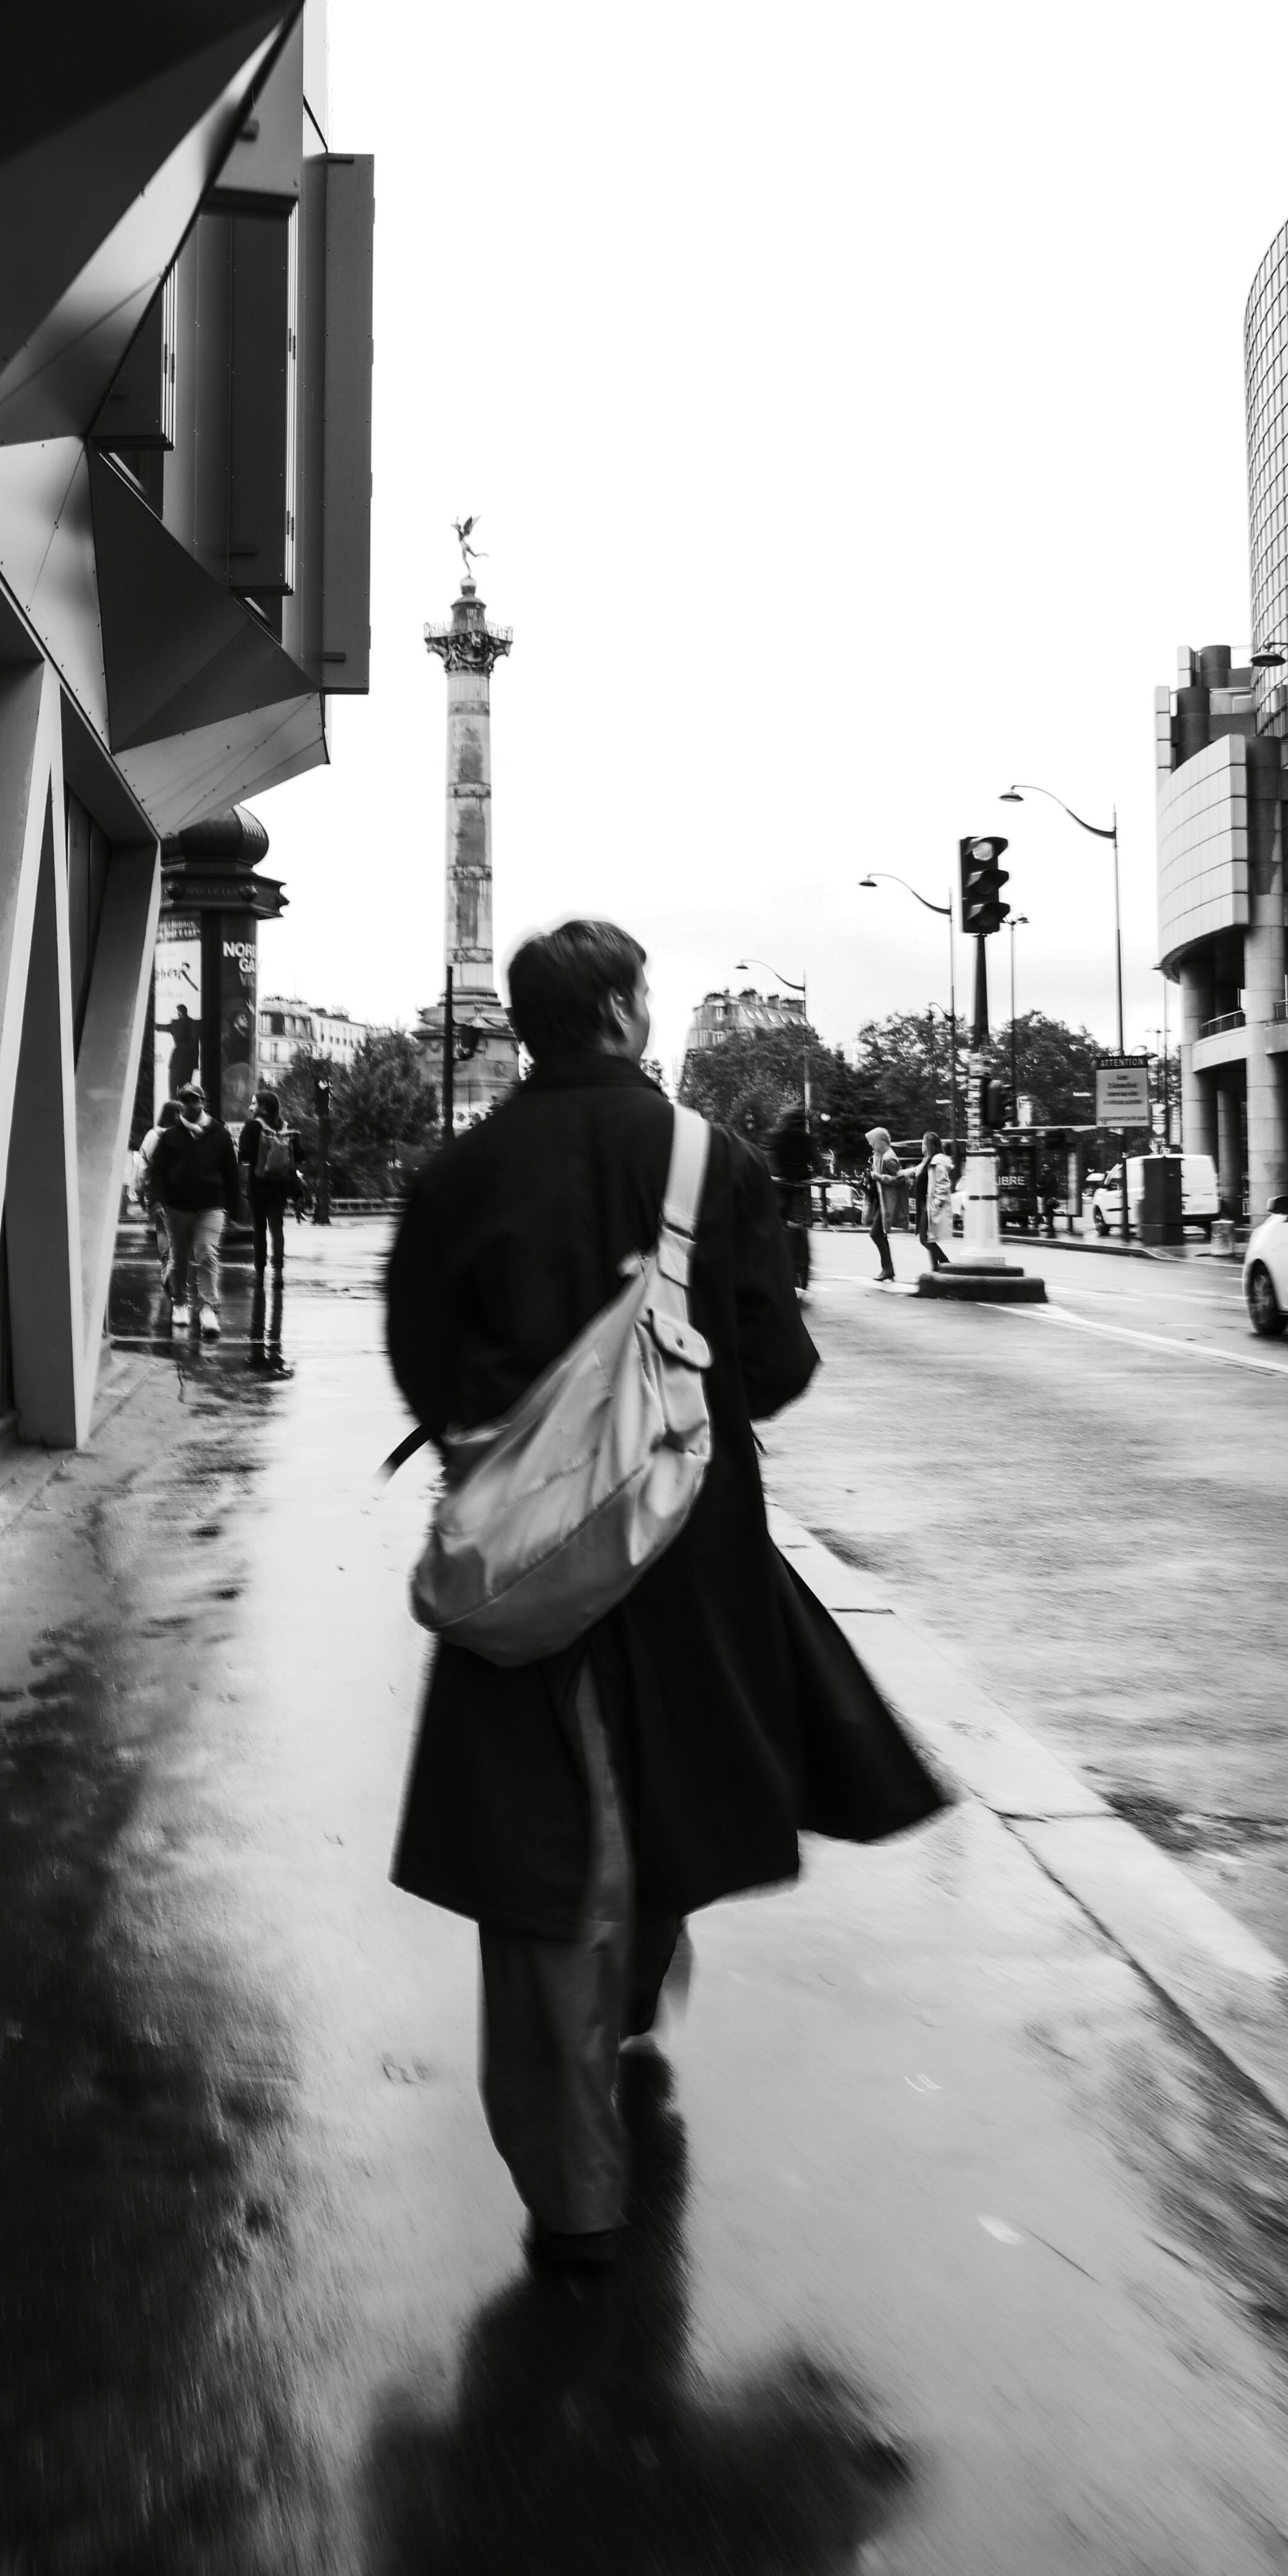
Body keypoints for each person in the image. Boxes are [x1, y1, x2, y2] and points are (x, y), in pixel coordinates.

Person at [385, 917, 943, 2270]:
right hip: (687, 1553)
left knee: (543, 1841)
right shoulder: (712, 1162)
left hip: (524, 1562)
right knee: (669, 1783)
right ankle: (630, 2006)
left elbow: (420, 1356)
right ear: (629, 1013)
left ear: (526, 1026)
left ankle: (570, 2182)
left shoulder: (457, 1172)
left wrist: (528, 1444)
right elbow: (779, 1364)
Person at [146, 1083, 241, 1337]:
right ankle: (180, 1303)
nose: (191, 1105)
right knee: (178, 1258)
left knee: (206, 1253)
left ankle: (208, 1307)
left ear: (203, 1102)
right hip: (177, 1207)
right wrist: (155, 1200)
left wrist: (234, 1209)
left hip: (211, 1205)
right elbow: (157, 1172)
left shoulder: (219, 1134)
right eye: (186, 1101)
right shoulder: (170, 1137)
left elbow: (231, 1173)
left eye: (195, 1100)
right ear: (180, 1105)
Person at [237, 1086, 299, 1292]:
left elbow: (243, 1156)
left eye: (254, 1103)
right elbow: (300, 1155)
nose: (250, 1107)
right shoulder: (286, 1127)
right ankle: (279, 1273)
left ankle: (259, 1273)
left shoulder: (252, 1127)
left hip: (258, 1186)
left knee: (259, 1229)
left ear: (263, 1107)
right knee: (277, 1228)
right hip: (279, 1187)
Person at [767, 1103, 816, 1297]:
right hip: (797, 1188)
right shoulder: (806, 1139)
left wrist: (776, 1175)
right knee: (798, 1228)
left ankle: (785, 1270)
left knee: (781, 1227)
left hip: (782, 1187)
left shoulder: (777, 1136)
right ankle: (802, 1272)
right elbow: (815, 1161)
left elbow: (772, 1161)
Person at [862, 1127, 899, 1283]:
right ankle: (887, 1269)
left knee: (876, 1233)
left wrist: (879, 1177)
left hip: (887, 1201)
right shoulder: (877, 1155)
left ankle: (888, 1269)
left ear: (881, 1141)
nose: (871, 1145)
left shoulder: (889, 1157)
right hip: (879, 1199)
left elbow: (899, 1179)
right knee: (880, 1234)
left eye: (872, 1142)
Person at [917, 1130, 955, 1269]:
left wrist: (936, 1204)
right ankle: (936, 1270)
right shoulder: (929, 1161)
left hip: (929, 1205)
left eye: (923, 1143)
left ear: (929, 1145)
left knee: (925, 1239)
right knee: (928, 1239)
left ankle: (945, 1264)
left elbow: (943, 1184)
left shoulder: (937, 1163)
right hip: (925, 1205)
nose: (922, 1146)